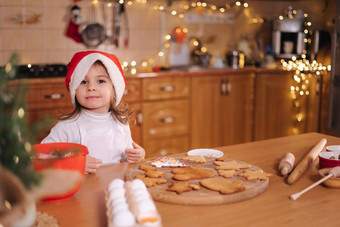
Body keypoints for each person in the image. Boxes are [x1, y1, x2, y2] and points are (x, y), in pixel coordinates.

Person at [41, 51, 145, 173]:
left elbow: (125, 155)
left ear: (114, 89)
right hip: (83, 189)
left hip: (114, 187)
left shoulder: (121, 123)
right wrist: (75, 164)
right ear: (74, 89)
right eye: (83, 82)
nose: (91, 87)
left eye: (100, 81)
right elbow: (42, 157)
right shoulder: (67, 127)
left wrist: (137, 155)